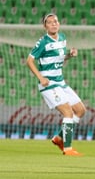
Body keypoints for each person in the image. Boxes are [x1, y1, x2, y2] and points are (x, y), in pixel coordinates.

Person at [26, 13, 86, 156]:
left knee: (80, 110)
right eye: (50, 22)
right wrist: (41, 77)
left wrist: (69, 55)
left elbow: (59, 60)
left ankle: (59, 138)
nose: (54, 24)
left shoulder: (63, 38)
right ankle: (68, 148)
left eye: (56, 21)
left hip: (61, 82)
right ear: (45, 26)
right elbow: (29, 61)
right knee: (68, 112)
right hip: (49, 84)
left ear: (59, 24)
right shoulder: (43, 42)